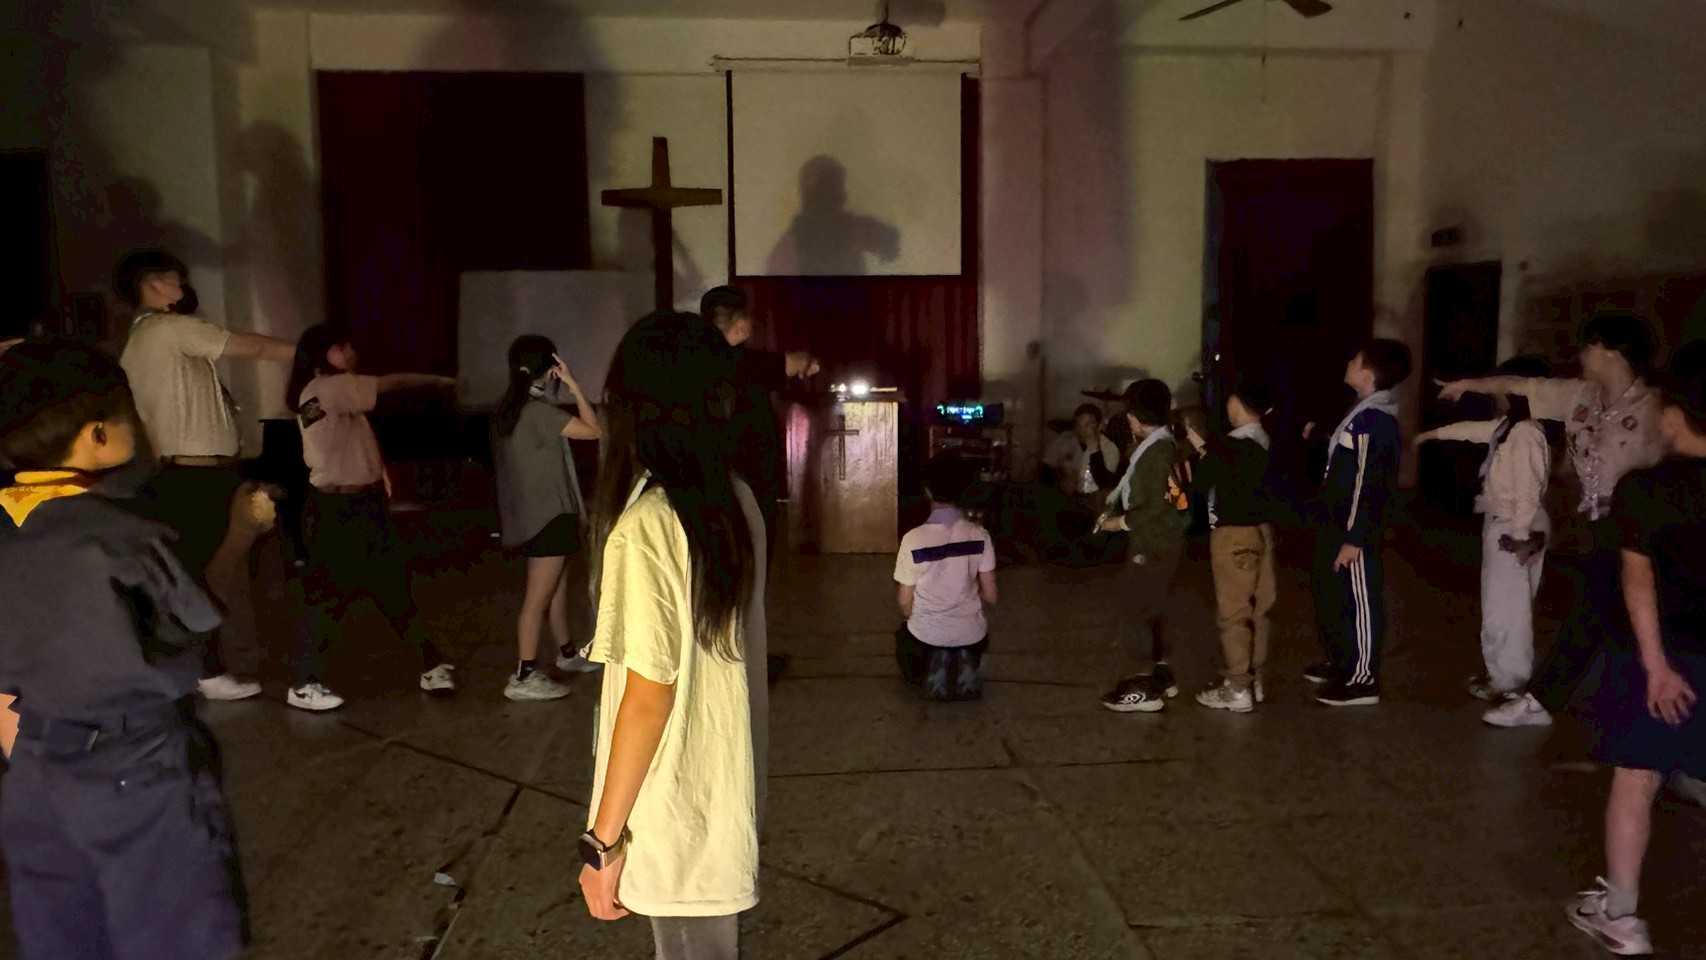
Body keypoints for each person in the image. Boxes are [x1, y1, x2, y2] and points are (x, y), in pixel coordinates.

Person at [0, 339, 249, 960]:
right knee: (173, 933)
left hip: (30, 770)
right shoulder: (126, 537)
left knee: (60, 932)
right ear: (99, 436)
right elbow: (197, 617)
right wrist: (244, 532)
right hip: (134, 765)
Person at [578, 311, 768, 960]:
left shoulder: (648, 525)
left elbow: (648, 695)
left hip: (670, 810)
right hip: (723, 792)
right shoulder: (732, 502)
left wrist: (602, 842)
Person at [1438, 314, 1664, 728]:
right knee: (1604, 613)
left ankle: (1547, 698)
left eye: (1590, 345)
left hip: (1645, 528)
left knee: (1599, 613)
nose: (1582, 354)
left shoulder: (1654, 408)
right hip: (1602, 526)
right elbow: (1524, 386)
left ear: (1612, 352)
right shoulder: (1579, 396)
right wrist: (1469, 384)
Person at [1563, 371, 1706, 957]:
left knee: (1637, 778)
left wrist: (1656, 667)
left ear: (1674, 418)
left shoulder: (1647, 489)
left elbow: (1637, 580)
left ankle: (1621, 914)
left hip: (1660, 658)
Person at [114, 246, 296, 702]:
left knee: (201, 572)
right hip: (195, 475)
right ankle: (206, 670)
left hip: (188, 472)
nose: (183, 286)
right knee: (206, 574)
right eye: (176, 279)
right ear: (154, 283)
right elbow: (251, 346)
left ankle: (206, 664)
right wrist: (309, 355)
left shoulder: (145, 338)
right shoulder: (168, 328)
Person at [282, 324, 459, 711]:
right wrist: (436, 380)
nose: (351, 353)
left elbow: (355, 441)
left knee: (389, 586)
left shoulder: (323, 393)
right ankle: (305, 682)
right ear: (323, 354)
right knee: (328, 593)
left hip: (357, 504)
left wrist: (380, 477)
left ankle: (430, 663)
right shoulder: (329, 387)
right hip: (339, 509)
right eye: (342, 347)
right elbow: (390, 383)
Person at [1414, 356, 1553, 702]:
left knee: (1508, 610)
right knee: (1499, 607)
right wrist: (1430, 435)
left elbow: (1527, 492)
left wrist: (1520, 537)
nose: (1495, 391)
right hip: (1504, 523)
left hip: (1515, 527)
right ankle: (1501, 676)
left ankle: (1510, 682)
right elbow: (1476, 431)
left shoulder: (1526, 433)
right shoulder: (1509, 427)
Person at [492, 335, 603, 701]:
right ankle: (524, 676)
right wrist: (573, 386)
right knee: (537, 598)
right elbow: (594, 430)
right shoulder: (538, 413)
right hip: (549, 517)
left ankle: (566, 653)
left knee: (554, 589)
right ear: (550, 368)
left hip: (539, 515)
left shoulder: (512, 410)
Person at [1306, 339, 1411, 707]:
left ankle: (1363, 679)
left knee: (1361, 600)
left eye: (1356, 359)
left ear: (1370, 372)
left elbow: (1372, 483)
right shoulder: (1360, 413)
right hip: (1338, 523)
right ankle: (1343, 662)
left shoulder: (1374, 420)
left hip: (1354, 530)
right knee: (1336, 597)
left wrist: (1356, 537)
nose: (1349, 362)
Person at [1097, 379, 1192, 713]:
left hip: (1152, 545)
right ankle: (1161, 675)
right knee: (1155, 609)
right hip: (1163, 544)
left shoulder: (1156, 454)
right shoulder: (1166, 446)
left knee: (1136, 609)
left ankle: (1142, 684)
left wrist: (1120, 522)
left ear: (1134, 418)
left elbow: (1160, 507)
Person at [1183, 379, 1277, 713]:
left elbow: (1202, 483)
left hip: (1233, 535)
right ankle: (1255, 678)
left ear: (1235, 403)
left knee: (1234, 612)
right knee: (1260, 610)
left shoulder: (1234, 446)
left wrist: (1201, 449)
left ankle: (1237, 688)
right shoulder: (1266, 441)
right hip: (1263, 532)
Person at [894, 455, 998, 701]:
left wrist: (915, 616)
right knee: (972, 632)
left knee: (903, 637)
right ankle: (963, 656)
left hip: (926, 635)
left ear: (927, 492)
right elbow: (991, 596)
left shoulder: (913, 539)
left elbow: (905, 601)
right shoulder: (980, 536)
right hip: (971, 633)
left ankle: (936, 659)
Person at [1043, 403, 1121, 513]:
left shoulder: (1109, 448)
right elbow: (1046, 469)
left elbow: (1104, 482)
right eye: (1079, 425)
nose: (1083, 430)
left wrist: (1093, 447)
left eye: (1088, 424)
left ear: (1099, 426)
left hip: (1094, 505)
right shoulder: (1066, 440)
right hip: (1063, 500)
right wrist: (1062, 479)